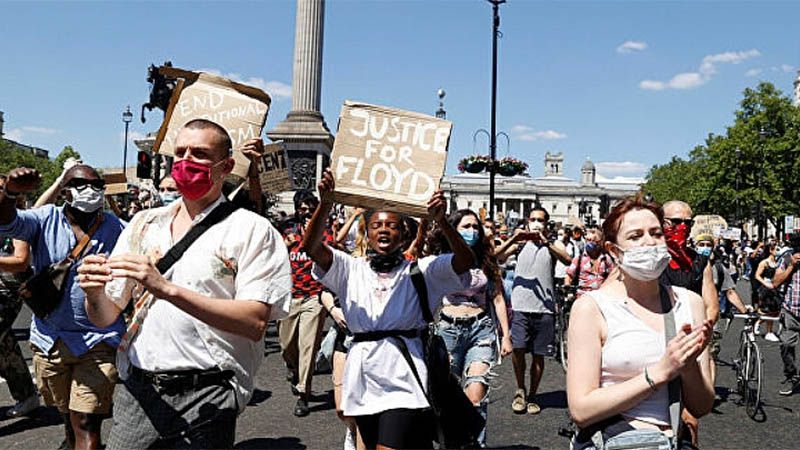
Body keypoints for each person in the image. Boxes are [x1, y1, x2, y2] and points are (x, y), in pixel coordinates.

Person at [77, 119, 292, 449]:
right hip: (139, 389)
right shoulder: (143, 224)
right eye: (180, 152)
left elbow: (254, 321)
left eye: (200, 153)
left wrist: (165, 288)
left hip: (207, 391)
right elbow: (106, 316)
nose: (186, 161)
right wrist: (93, 293)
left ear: (227, 166)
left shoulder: (252, 230)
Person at [304, 168, 476, 450]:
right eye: (377, 225)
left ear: (403, 233)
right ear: (367, 233)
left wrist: (442, 221)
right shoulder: (349, 268)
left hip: (404, 374)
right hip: (363, 372)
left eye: (392, 225)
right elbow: (311, 247)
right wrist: (325, 203)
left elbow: (465, 261)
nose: (384, 229)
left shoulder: (423, 271)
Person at [567, 196, 714, 449]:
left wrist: (688, 366)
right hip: (615, 441)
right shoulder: (591, 308)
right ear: (614, 251)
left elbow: (701, 406)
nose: (649, 242)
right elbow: (581, 409)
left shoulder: (691, 303)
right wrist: (659, 373)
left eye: (656, 233)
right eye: (635, 236)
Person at [0, 163, 126, 450]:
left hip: (98, 342)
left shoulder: (117, 228)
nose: (91, 192)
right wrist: (9, 193)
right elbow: (6, 222)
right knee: (68, 416)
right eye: (82, 186)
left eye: (97, 187)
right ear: (65, 191)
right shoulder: (44, 219)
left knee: (86, 423)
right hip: (50, 341)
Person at [427, 208, 512, 447]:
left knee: (477, 394)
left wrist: (505, 335)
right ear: (453, 230)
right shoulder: (440, 258)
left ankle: (476, 444)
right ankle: (453, 442)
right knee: (447, 397)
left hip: (481, 330)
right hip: (447, 330)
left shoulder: (485, 258)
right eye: (466, 227)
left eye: (475, 227)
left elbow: (497, 297)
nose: (472, 231)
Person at [498, 206, 572, 415]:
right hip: (521, 305)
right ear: (527, 221)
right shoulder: (520, 245)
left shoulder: (552, 244)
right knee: (519, 349)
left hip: (544, 308)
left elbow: (567, 260)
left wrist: (545, 242)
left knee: (539, 355)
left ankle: (533, 394)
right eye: (533, 219)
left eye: (540, 220)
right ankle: (520, 388)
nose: (536, 223)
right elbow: (498, 257)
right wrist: (514, 239)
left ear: (547, 224)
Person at [279, 189, 331, 417]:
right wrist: (284, 245)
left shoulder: (324, 231)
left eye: (312, 207)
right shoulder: (286, 230)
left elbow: (332, 252)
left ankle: (303, 393)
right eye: (303, 208)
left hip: (314, 296)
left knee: (308, 346)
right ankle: (293, 368)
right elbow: (269, 256)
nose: (308, 212)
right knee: (287, 345)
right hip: (290, 296)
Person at [0, 175, 40, 419]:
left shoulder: (18, 221)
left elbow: (20, 261)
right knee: (4, 346)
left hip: (9, 288)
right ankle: (27, 395)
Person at [772, 234, 800, 396]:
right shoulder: (786, 258)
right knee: (786, 344)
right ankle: (791, 375)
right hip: (791, 311)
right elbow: (775, 282)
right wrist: (791, 266)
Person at [565, 228, 614, 297]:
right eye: (588, 240)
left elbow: (613, 276)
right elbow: (569, 275)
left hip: (600, 298)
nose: (590, 243)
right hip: (582, 297)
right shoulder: (579, 258)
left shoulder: (605, 259)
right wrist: (569, 291)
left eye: (594, 241)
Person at [753, 242, 781, 342]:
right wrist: (765, 283)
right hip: (766, 288)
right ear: (771, 250)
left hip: (775, 288)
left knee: (775, 311)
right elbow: (757, 275)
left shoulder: (778, 262)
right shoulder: (764, 262)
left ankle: (759, 322)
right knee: (769, 309)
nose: (778, 251)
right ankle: (769, 332)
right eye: (777, 249)